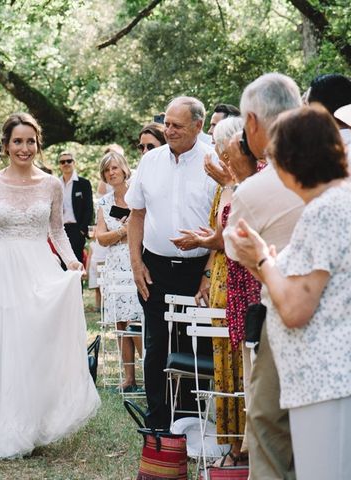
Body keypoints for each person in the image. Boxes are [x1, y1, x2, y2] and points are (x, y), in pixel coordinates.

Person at [0, 112, 100, 460]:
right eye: (17, 141)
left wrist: (70, 261)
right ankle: (6, 427)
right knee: (8, 345)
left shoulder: (51, 184)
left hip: (41, 270)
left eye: (31, 141)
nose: (25, 148)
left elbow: (56, 231)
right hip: (4, 271)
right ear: (5, 145)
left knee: (35, 346)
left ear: (38, 144)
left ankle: (35, 422)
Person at [228, 105, 351, 479]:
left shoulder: (325, 211)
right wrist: (266, 261)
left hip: (325, 379)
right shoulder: (340, 203)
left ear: (292, 161)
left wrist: (261, 260)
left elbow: (297, 308)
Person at [222, 73, 303, 480]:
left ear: (251, 122)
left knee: (269, 425)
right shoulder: (336, 168)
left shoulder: (252, 192)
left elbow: (240, 253)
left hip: (284, 319)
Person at [125, 96, 217, 429]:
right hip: (156, 267)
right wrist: (136, 263)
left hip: (197, 270)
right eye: (167, 123)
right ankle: (158, 419)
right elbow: (136, 215)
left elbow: (224, 221)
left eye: (177, 125)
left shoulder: (213, 161)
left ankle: (190, 422)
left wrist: (208, 273)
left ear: (199, 125)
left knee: (195, 343)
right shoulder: (150, 162)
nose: (169, 130)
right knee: (157, 343)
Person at [170, 116, 247, 462]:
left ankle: (240, 445)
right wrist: (203, 269)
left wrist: (200, 239)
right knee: (223, 363)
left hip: (238, 278)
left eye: (220, 144)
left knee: (238, 362)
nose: (214, 151)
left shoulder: (239, 180)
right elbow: (219, 239)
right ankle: (230, 440)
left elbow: (229, 231)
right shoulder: (223, 181)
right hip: (217, 274)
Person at [94, 151, 144, 392]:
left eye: (115, 167)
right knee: (121, 323)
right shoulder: (103, 203)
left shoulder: (137, 196)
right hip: (115, 264)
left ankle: (150, 371)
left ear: (124, 169)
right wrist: (122, 232)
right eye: (107, 170)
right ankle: (129, 377)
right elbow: (101, 238)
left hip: (137, 260)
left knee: (137, 318)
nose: (111, 172)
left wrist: (127, 234)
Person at [57, 151, 93, 265]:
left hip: (77, 230)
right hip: (60, 230)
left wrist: (82, 230)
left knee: (76, 264)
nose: (66, 163)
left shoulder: (83, 183)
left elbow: (89, 208)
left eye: (69, 161)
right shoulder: (56, 184)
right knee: (62, 264)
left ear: (74, 163)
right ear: (59, 165)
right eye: (62, 162)